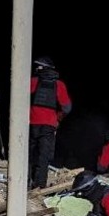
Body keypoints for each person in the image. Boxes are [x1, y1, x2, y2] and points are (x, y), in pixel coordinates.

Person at [28, 56, 71, 189]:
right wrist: (58, 118)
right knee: (44, 155)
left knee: (27, 154)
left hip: (31, 123)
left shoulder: (32, 81)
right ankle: (39, 185)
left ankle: (23, 181)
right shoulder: (59, 84)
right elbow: (67, 107)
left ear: (41, 68)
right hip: (49, 124)